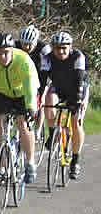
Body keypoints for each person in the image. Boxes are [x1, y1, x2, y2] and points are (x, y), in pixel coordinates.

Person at [0, 32, 39, 183]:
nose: (3, 57)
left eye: (6, 53)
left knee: (23, 125)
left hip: (24, 93)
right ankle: (1, 168)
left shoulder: (23, 60)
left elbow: (30, 86)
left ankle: (30, 163)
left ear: (12, 50)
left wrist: (30, 107)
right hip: (5, 94)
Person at [41, 31, 89, 179]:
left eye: (64, 48)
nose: (60, 51)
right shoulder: (47, 58)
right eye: (57, 48)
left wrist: (78, 103)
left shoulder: (78, 57)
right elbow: (42, 82)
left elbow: (80, 82)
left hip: (77, 90)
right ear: (52, 48)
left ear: (70, 47)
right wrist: (38, 100)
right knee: (49, 100)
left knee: (75, 122)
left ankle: (75, 160)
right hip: (59, 89)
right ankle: (52, 133)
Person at [15, 25, 52, 138]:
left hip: (42, 74)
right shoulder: (15, 46)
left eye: (29, 44)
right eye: (23, 43)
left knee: (39, 100)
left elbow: (45, 75)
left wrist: (42, 93)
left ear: (36, 42)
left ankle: (38, 129)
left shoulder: (44, 50)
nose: (25, 46)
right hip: (23, 74)